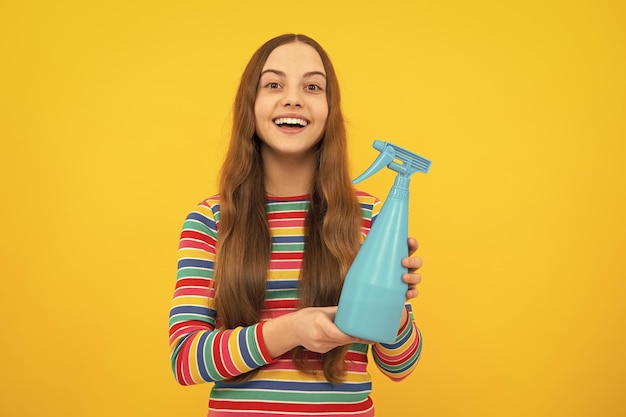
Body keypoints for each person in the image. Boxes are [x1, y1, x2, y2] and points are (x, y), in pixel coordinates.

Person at [169, 33, 423, 417]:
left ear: (329, 109)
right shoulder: (211, 220)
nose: (293, 98)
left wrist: (394, 306)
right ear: (249, 105)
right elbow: (186, 360)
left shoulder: (371, 217)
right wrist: (291, 330)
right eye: (273, 84)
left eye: (312, 86)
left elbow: (401, 365)